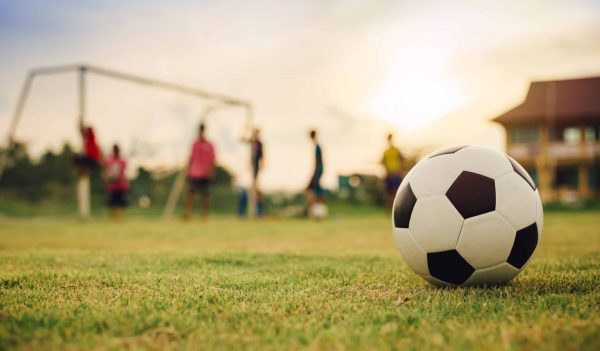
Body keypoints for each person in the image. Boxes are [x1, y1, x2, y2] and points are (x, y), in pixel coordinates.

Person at [184, 123, 216, 220]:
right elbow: (191, 158)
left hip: (205, 173)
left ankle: (204, 215)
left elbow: (212, 160)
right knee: (191, 193)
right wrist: (187, 171)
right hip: (195, 172)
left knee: (205, 195)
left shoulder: (209, 144)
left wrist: (211, 171)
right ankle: (189, 213)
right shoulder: (195, 144)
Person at [73, 123, 102, 219]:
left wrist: (81, 124)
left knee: (78, 158)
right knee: (76, 158)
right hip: (90, 158)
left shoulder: (90, 136)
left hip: (93, 158)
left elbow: (83, 131)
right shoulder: (86, 141)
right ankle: (84, 171)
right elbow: (81, 132)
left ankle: (85, 170)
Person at [103, 144, 129, 220]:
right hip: (111, 186)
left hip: (121, 185)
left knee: (121, 203)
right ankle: (112, 218)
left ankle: (120, 218)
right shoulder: (109, 161)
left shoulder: (122, 161)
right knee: (111, 202)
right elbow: (106, 172)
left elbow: (123, 173)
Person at [382, 133, 405, 208]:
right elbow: (383, 162)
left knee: (398, 193)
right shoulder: (386, 151)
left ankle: (398, 208)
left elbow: (403, 160)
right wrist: (386, 171)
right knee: (389, 193)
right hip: (389, 174)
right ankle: (389, 211)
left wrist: (400, 170)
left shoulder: (396, 150)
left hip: (397, 174)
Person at [306, 129, 324, 212]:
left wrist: (315, 173)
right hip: (318, 170)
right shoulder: (317, 146)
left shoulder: (317, 146)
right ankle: (317, 209)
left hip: (318, 170)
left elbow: (318, 162)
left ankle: (315, 209)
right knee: (316, 190)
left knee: (310, 189)